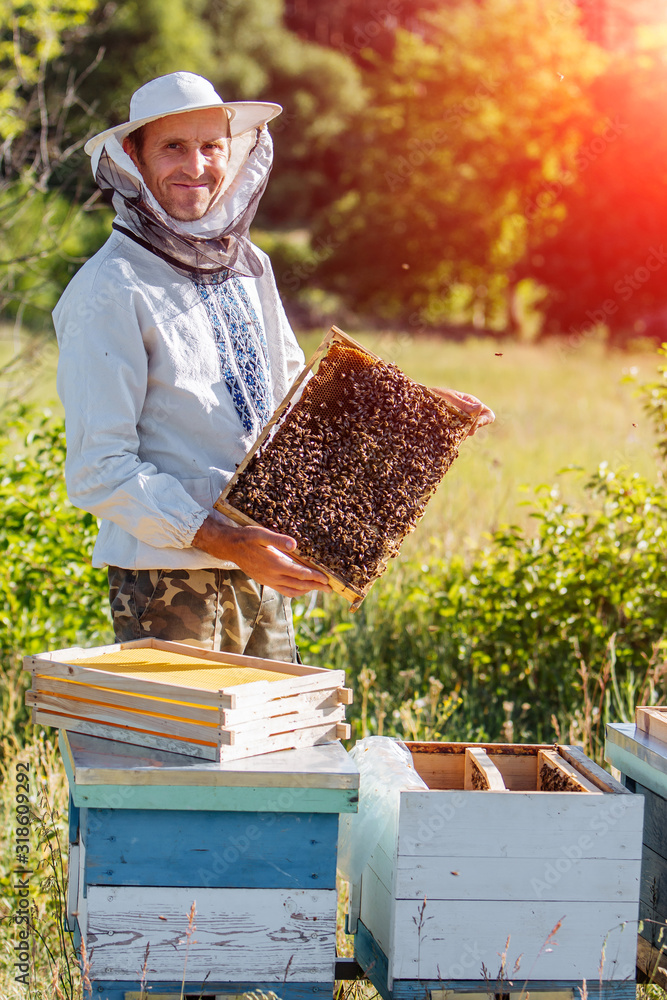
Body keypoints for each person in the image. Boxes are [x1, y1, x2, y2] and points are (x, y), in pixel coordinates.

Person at [54, 71, 493, 662]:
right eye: (173, 147)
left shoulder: (248, 265)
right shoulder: (109, 289)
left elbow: (295, 401)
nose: (197, 166)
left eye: (211, 146)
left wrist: (409, 406)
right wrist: (228, 541)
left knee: (272, 749)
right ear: (132, 157)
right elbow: (99, 469)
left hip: (266, 566)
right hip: (171, 580)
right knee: (191, 752)